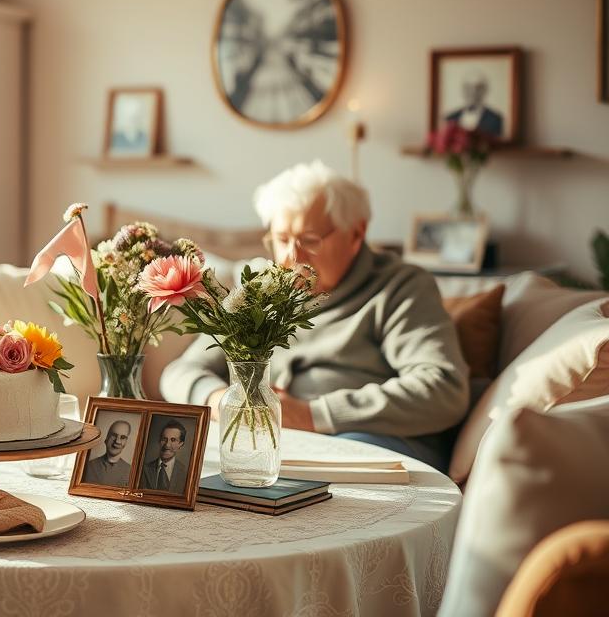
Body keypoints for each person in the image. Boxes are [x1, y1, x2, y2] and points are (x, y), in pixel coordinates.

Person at [159, 161, 469, 471]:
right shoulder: (258, 290)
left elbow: (443, 388)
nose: (291, 258)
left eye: (309, 240)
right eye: (281, 240)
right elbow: (180, 372)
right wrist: (217, 400)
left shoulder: (401, 288)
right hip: (277, 447)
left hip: (368, 447)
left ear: (356, 233)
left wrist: (314, 415)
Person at [444, 71, 504, 138]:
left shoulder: (495, 119)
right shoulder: (450, 118)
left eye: (478, 88)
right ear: (463, 90)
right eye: (468, 87)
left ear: (485, 90)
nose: (473, 92)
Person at [140, 417, 188, 493]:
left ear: (180, 445)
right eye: (164, 439)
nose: (167, 445)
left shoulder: (186, 472)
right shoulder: (143, 468)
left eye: (173, 440)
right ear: (159, 441)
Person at [81, 419, 133, 487]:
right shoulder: (88, 466)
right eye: (114, 435)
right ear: (106, 438)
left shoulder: (130, 472)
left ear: (126, 443)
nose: (117, 441)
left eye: (123, 437)